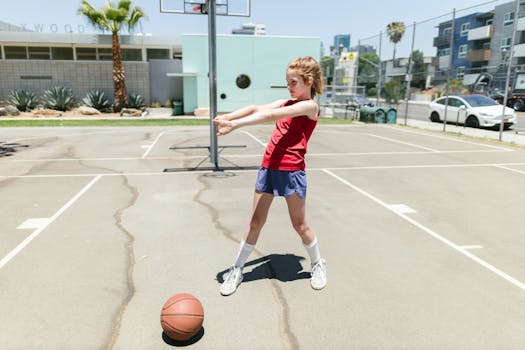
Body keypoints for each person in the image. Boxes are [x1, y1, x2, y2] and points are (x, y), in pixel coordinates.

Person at [213, 56, 326, 296]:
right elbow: (256, 109)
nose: (289, 86)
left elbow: (270, 117)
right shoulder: (286, 101)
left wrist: (236, 126)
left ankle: (317, 264)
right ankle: (237, 269)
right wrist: (228, 117)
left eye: (293, 82)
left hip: (292, 172)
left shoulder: (309, 107)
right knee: (255, 222)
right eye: (287, 81)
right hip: (269, 169)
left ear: (308, 81)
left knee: (299, 224)